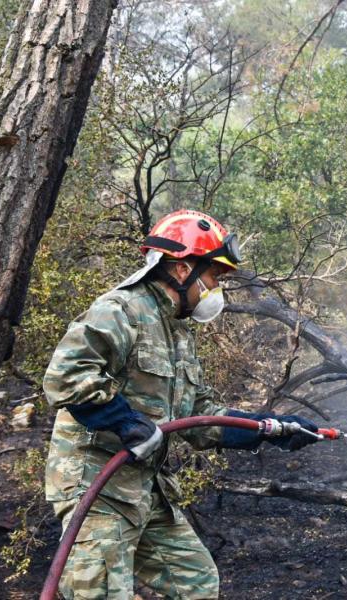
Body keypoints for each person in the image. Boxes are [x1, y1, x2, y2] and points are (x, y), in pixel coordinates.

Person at [43, 209, 318, 599]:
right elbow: (64, 377)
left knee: (196, 583)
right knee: (100, 593)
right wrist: (124, 422)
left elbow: (200, 415)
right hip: (97, 488)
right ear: (180, 267)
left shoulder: (177, 332)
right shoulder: (121, 310)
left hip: (147, 490)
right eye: (212, 276)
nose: (214, 288)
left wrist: (269, 428)